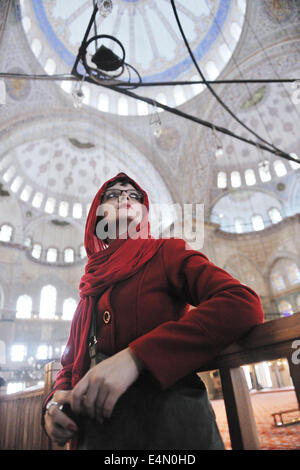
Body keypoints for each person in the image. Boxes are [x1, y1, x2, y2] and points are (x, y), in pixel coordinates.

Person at [42, 172, 264, 450]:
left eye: (134, 195)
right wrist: (53, 404)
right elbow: (71, 362)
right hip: (98, 436)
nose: (125, 196)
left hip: (172, 429)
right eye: (113, 195)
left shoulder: (166, 252)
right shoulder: (90, 287)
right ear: (97, 217)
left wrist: (137, 358)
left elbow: (241, 303)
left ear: (144, 213)